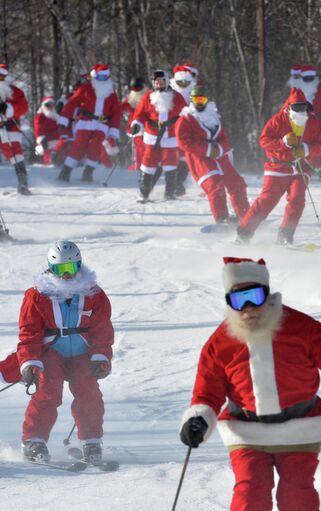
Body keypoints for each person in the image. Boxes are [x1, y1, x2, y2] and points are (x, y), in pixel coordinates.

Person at [180, 257, 321, 511]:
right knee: (250, 494)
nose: (247, 307)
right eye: (238, 300)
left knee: (297, 497)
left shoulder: (301, 327)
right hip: (246, 429)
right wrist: (198, 419)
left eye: (254, 296)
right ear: (229, 303)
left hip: (299, 428)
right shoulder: (220, 342)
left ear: (267, 294)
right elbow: (207, 389)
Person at [17, 241, 114, 462]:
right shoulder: (38, 295)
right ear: (51, 268)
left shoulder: (93, 293)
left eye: (72, 269)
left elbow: (102, 328)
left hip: (82, 352)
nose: (67, 275)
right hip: (51, 351)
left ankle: (91, 442)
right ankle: (34, 440)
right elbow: (29, 332)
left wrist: (101, 355)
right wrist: (30, 361)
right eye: (61, 270)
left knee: (88, 391)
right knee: (48, 389)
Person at [236, 88, 321, 245]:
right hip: (277, 167)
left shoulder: (313, 121)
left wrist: (306, 150)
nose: (300, 110)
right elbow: (264, 141)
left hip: (301, 167)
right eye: (296, 107)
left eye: (303, 106)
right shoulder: (278, 120)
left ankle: (286, 234)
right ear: (289, 106)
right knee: (267, 200)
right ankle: (244, 233)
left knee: (297, 199)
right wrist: (283, 143)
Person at [176, 85, 250, 225]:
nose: (199, 103)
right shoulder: (185, 119)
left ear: (207, 100)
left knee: (237, 183)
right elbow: (183, 142)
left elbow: (224, 137)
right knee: (215, 185)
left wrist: (220, 149)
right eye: (196, 100)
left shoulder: (213, 117)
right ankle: (222, 220)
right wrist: (208, 149)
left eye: (202, 99)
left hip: (219, 155)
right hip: (199, 157)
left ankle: (245, 215)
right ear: (191, 101)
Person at [56, 63, 121, 183]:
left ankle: (88, 172)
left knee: (96, 146)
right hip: (85, 122)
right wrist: (63, 119)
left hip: (102, 124)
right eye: (99, 78)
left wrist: (113, 130)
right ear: (94, 77)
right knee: (79, 145)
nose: (102, 81)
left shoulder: (111, 93)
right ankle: (66, 171)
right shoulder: (86, 89)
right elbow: (71, 104)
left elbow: (116, 113)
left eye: (105, 78)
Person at [129, 69, 187, 202]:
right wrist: (137, 124)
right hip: (152, 135)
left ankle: (169, 192)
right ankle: (144, 193)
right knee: (148, 163)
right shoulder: (148, 96)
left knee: (171, 162)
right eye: (156, 82)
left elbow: (185, 114)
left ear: (166, 82)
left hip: (171, 136)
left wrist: (185, 129)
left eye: (161, 82)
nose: (158, 84)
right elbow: (139, 113)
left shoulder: (177, 97)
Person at [284, 65, 321, 183]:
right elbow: (287, 107)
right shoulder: (297, 92)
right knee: (311, 148)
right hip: (307, 125)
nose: (309, 80)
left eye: (311, 77)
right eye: (306, 78)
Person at [0, 64, 31, 194]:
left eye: (1, 77)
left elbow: (23, 107)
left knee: (15, 153)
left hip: (9, 127)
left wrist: (8, 108)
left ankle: (22, 182)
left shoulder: (15, 92)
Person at [170, 63, 199, 196]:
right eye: (180, 82)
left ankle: (179, 183)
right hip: (170, 129)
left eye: (185, 82)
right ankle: (171, 184)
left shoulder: (196, 94)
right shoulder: (170, 94)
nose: (183, 85)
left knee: (185, 156)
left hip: (190, 130)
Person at [121, 77, 148, 171]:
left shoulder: (148, 96)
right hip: (135, 127)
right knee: (138, 147)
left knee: (148, 147)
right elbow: (121, 108)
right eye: (133, 88)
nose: (136, 90)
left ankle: (148, 165)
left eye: (138, 88)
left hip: (148, 126)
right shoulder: (130, 98)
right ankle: (139, 165)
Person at [33, 96, 60, 165]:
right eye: (48, 105)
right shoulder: (40, 116)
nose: (50, 107)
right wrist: (41, 138)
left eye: (52, 105)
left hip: (58, 139)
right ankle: (49, 165)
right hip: (47, 140)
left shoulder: (56, 116)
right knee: (48, 154)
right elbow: (38, 128)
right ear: (44, 105)